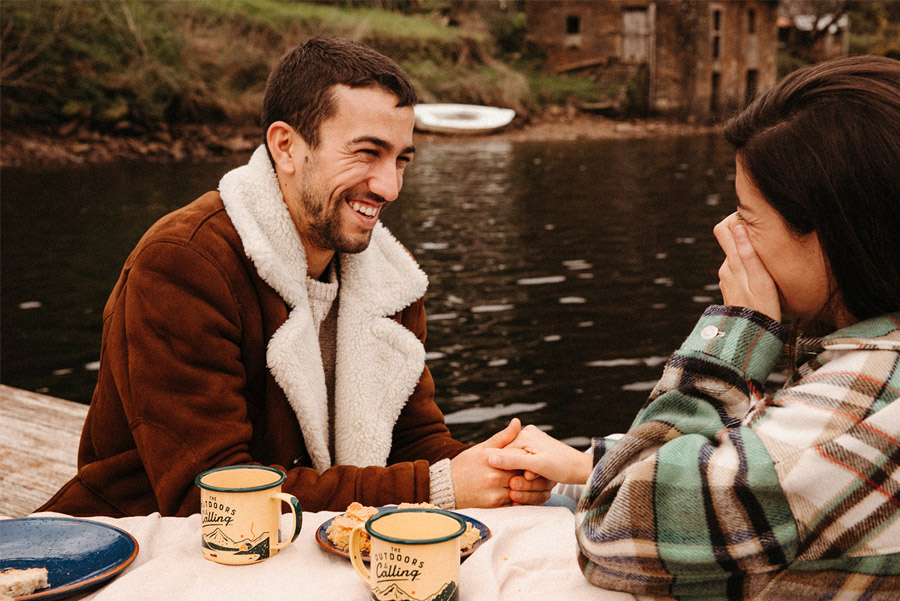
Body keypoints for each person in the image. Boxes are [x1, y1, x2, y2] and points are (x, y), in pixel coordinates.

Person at [39, 37, 551, 517]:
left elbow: (414, 442)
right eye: (367, 153)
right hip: (136, 545)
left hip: (306, 546)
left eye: (402, 160)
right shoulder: (183, 264)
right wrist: (436, 488)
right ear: (285, 146)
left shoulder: (390, 283)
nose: (390, 187)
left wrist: (499, 468)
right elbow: (211, 495)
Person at [488, 55, 900, 599]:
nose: (726, 232)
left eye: (748, 218)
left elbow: (612, 530)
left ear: (833, 236)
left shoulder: (861, 405)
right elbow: (771, 465)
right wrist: (585, 464)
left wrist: (736, 334)